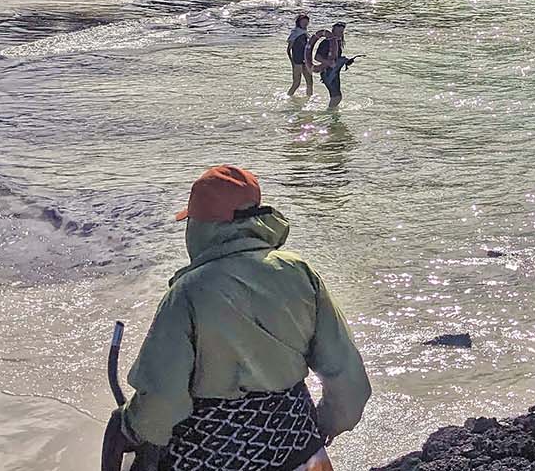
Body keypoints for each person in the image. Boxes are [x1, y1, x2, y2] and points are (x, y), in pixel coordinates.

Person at [114, 165, 370, 471]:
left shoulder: (186, 293)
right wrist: (323, 426)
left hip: (211, 458)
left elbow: (161, 404)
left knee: (120, 427)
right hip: (298, 449)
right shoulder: (300, 273)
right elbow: (349, 383)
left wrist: (130, 427)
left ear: (201, 226)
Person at [312, 22, 351, 109]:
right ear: (333, 32)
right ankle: (329, 115)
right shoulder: (326, 43)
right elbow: (317, 57)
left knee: (337, 97)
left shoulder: (338, 43)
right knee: (336, 97)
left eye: (342, 32)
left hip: (335, 72)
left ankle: (331, 113)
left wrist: (345, 61)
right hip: (327, 73)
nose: (340, 34)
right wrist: (328, 62)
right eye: (339, 32)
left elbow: (336, 58)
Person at [286, 13, 313, 97]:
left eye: (306, 22)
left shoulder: (306, 33)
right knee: (296, 83)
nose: (305, 24)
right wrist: (292, 62)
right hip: (297, 61)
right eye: (303, 22)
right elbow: (288, 50)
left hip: (305, 60)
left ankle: (309, 98)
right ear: (299, 22)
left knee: (310, 82)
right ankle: (288, 97)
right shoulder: (295, 33)